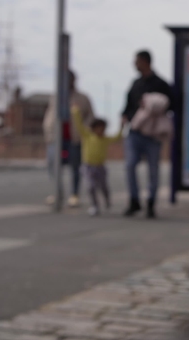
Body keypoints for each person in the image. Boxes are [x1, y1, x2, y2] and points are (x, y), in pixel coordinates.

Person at [121, 50, 175, 218]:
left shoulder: (161, 84)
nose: (134, 64)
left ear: (145, 61)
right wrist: (125, 116)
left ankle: (151, 203)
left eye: (137, 61)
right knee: (130, 165)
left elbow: (171, 105)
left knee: (153, 169)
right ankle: (134, 200)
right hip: (135, 132)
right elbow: (128, 104)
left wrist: (154, 108)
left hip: (153, 134)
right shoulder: (135, 84)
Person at [43, 70, 95, 207]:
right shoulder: (56, 97)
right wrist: (47, 129)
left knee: (75, 167)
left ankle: (74, 194)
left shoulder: (83, 98)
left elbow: (90, 116)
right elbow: (50, 115)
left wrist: (85, 129)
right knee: (53, 165)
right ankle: (57, 192)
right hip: (56, 138)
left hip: (74, 138)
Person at [71, 106, 122, 216]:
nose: (101, 131)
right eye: (99, 128)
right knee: (90, 187)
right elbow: (79, 126)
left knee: (103, 187)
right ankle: (95, 205)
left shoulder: (105, 139)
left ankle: (107, 200)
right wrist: (76, 112)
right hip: (88, 166)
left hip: (100, 167)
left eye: (103, 129)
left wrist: (122, 126)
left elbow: (117, 137)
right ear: (93, 128)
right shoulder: (87, 136)